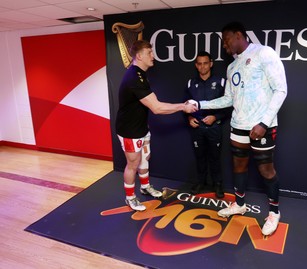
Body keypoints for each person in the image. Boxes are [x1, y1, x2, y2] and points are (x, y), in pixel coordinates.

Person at [189, 22, 287, 236]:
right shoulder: (232, 66)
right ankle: (240, 204)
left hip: (261, 126)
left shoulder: (263, 53)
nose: (224, 45)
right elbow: (227, 99)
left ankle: (274, 213)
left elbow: (281, 90)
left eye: (226, 40)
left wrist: (264, 123)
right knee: (239, 166)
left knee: (265, 170)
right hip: (238, 127)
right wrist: (200, 104)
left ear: (239, 35)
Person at [116, 40, 198, 211]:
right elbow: (157, 108)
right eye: (149, 53)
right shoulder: (134, 77)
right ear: (139, 56)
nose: (153, 56)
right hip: (129, 130)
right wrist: (183, 107)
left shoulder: (140, 74)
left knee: (145, 158)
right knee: (133, 164)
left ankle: (145, 186)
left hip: (141, 127)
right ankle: (130, 198)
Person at [185, 51, 231, 198]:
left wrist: (215, 117)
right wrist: (189, 117)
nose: (203, 66)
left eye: (206, 63)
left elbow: (229, 106)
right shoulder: (191, 83)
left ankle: (217, 185)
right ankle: (201, 182)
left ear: (211, 64)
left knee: (215, 158)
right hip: (197, 128)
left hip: (214, 127)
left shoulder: (222, 82)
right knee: (200, 157)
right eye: (199, 63)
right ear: (196, 65)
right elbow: (185, 105)